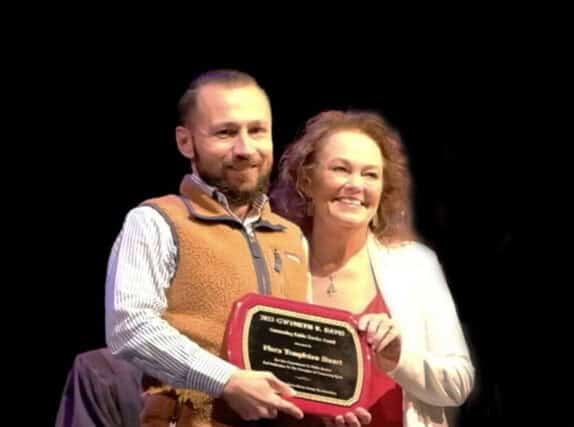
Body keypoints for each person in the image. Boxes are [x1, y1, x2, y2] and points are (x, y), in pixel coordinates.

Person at [104, 69, 312, 426]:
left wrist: (329, 401)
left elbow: (300, 351)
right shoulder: (156, 221)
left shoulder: (291, 236)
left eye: (257, 131)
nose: (245, 149)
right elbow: (130, 327)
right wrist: (227, 380)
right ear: (186, 142)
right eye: (226, 132)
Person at [270, 110, 475, 427]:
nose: (355, 185)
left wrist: (398, 359)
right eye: (340, 169)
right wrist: (315, 404)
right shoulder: (279, 265)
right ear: (307, 181)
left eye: (370, 175)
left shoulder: (416, 266)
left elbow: (458, 383)